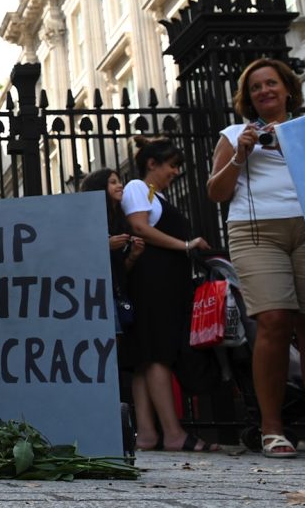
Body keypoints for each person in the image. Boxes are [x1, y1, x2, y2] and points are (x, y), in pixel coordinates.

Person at [207, 58, 305, 458]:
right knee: (274, 320)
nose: (264, 91)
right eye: (255, 87)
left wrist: (291, 143)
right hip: (255, 231)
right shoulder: (233, 135)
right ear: (248, 98)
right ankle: (272, 429)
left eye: (271, 83)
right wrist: (240, 155)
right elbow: (216, 193)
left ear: (287, 89)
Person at [121, 136, 218, 453]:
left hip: (161, 284)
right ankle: (173, 433)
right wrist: (186, 245)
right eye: (172, 165)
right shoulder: (139, 187)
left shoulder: (153, 195)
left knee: (146, 358)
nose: (176, 172)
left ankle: (148, 434)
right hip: (152, 284)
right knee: (157, 353)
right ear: (152, 164)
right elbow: (140, 227)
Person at [80, 169, 144, 335]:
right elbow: (79, 256)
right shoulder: (87, 219)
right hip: (95, 296)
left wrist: (133, 255)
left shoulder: (121, 221)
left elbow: (121, 270)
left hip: (118, 294)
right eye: (113, 182)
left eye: (119, 181)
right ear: (100, 187)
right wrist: (104, 246)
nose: (120, 185)